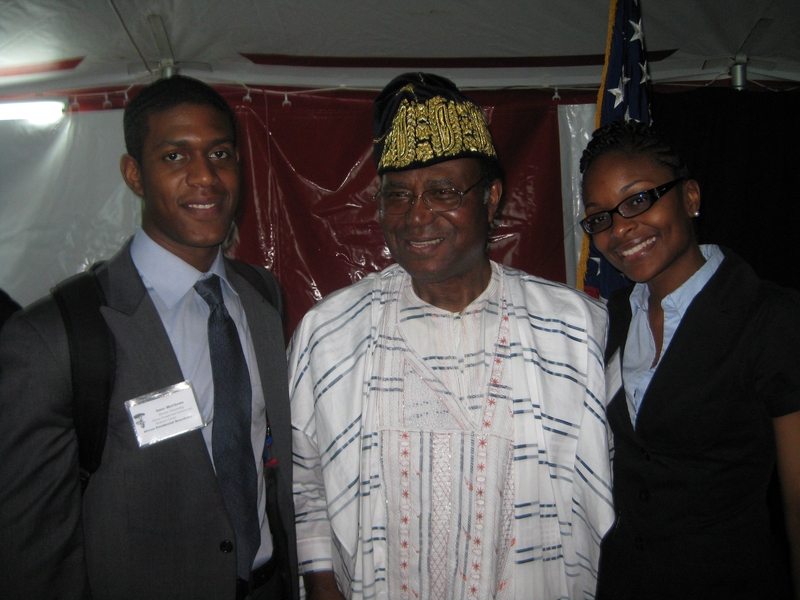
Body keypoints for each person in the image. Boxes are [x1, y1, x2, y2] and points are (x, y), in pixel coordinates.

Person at [289, 72, 614, 600]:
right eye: (399, 196)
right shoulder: (330, 335)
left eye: (442, 191)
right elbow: (308, 490)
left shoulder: (572, 328)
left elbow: (609, 498)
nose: (417, 216)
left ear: (491, 200)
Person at [0, 75, 298, 600]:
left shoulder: (261, 297)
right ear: (134, 174)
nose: (206, 177)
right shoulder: (55, 337)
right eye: (175, 157)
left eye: (220, 153)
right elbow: (34, 553)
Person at [579, 119, 800, 600]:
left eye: (637, 200)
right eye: (599, 218)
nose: (620, 229)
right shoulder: (607, 321)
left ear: (691, 197)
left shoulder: (769, 318)